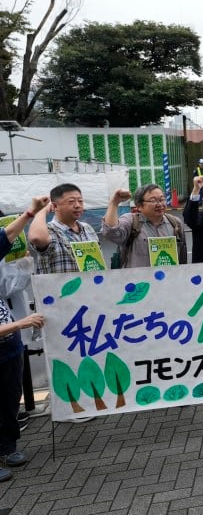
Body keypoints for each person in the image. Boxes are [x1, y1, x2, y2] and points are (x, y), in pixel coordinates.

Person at [0, 202, 48, 481]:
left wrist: (30, 214)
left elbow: (6, 237)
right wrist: (20, 324)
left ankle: (7, 447)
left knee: (8, 400)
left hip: (9, 347)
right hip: (9, 332)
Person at [101, 184, 187, 268]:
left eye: (162, 199)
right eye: (153, 200)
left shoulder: (175, 223)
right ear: (139, 206)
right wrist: (114, 202)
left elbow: (182, 257)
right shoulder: (131, 221)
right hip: (139, 281)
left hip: (169, 279)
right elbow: (111, 232)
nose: (159, 204)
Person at [28, 184, 100, 275]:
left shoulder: (87, 228)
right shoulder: (49, 230)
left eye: (80, 201)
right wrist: (42, 210)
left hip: (91, 286)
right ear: (55, 206)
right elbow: (36, 238)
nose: (77, 205)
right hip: (60, 288)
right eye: (71, 201)